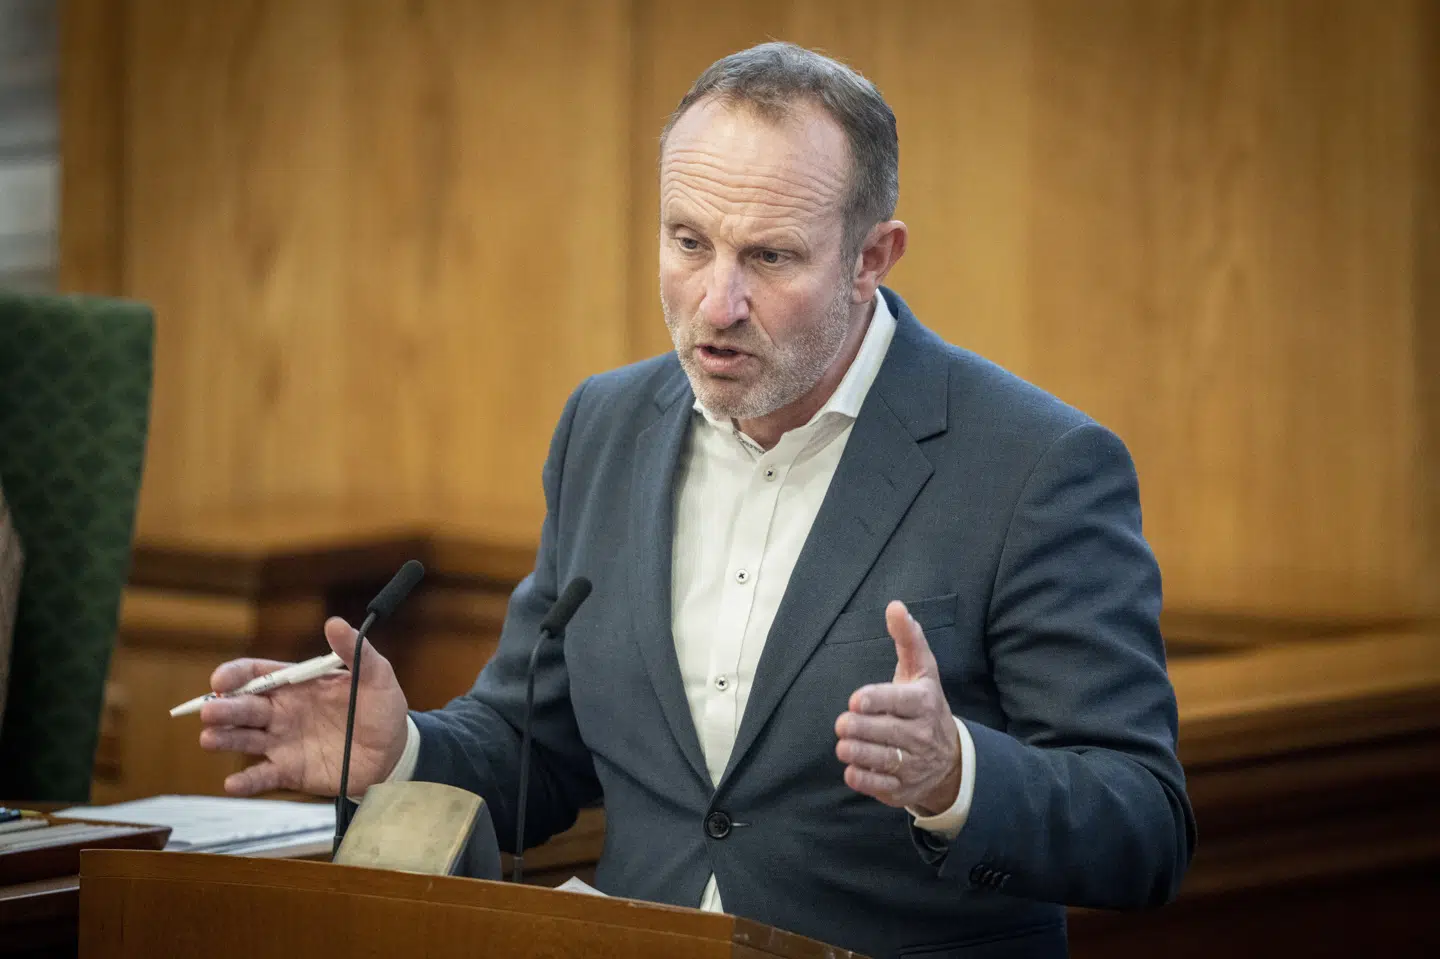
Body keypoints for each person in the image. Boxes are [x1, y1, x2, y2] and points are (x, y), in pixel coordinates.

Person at [198, 42, 1195, 959]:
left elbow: (1143, 824)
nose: (716, 303)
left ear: (872, 257)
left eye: (770, 257)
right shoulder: (607, 423)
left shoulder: (1035, 463)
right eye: (688, 242)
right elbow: (534, 744)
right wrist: (401, 748)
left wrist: (955, 776)